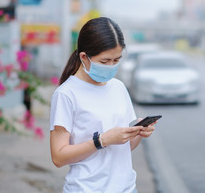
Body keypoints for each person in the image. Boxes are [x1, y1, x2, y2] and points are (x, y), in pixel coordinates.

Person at [49, 17, 156, 193]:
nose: (111, 66)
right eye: (105, 61)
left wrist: (138, 133)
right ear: (84, 57)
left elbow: (124, 147)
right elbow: (58, 157)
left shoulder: (118, 87)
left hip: (127, 188)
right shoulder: (66, 94)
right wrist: (102, 140)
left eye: (116, 60)